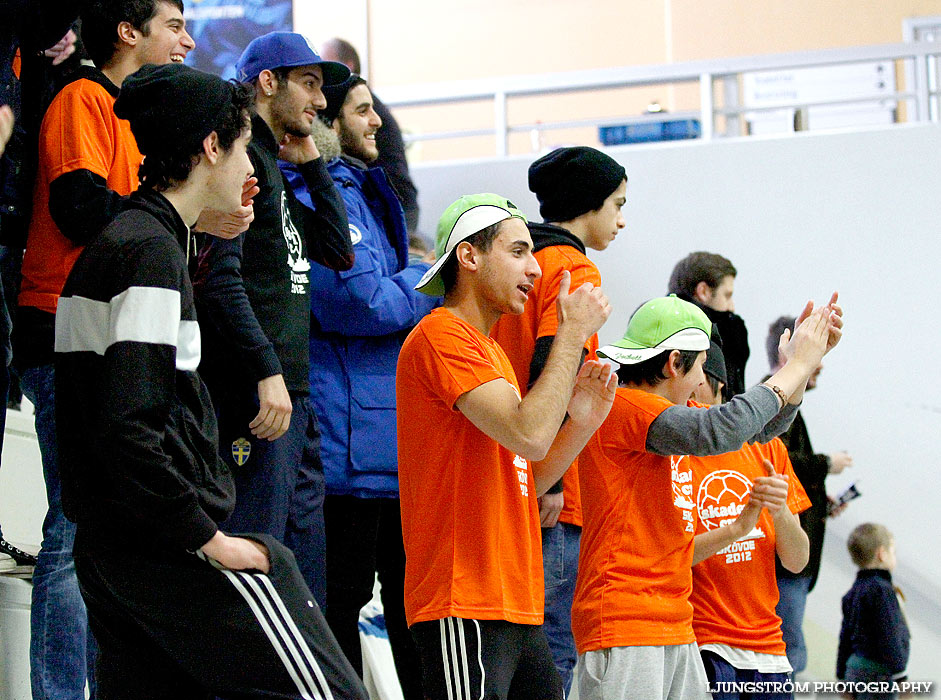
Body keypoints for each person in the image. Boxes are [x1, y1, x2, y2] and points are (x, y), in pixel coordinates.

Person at [54, 62, 367, 700]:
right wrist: (206, 537)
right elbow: (131, 427)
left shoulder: (141, 241)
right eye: (243, 147)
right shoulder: (147, 252)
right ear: (209, 148)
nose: (252, 168)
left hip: (122, 545)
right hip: (164, 547)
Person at [14, 3, 197, 696]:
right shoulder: (82, 99)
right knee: (72, 526)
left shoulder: (133, 117)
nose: (187, 40)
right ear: (128, 32)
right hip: (64, 330)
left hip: (107, 333)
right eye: (174, 24)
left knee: (97, 530)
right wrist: (168, 212)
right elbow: (79, 206)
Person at [397, 193, 616, 700]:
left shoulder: (490, 350)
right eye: (518, 251)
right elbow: (530, 433)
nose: (535, 269)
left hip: (514, 599)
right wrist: (570, 333)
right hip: (463, 598)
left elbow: (525, 476)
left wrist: (581, 424)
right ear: (469, 258)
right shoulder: (440, 336)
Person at [573, 294, 843, 700]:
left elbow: (754, 432)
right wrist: (798, 366)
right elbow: (722, 428)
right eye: (699, 367)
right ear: (673, 362)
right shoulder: (626, 407)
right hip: (625, 618)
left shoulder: (660, 418)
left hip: (669, 621)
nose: (702, 382)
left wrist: (796, 374)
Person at [281, 74, 436, 698]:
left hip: (376, 439)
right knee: (340, 611)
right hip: (349, 447)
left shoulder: (358, 191)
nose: (377, 123)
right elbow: (358, 301)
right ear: (329, 122)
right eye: (363, 110)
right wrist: (427, 281)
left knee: (407, 613)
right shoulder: (320, 194)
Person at [195, 31, 354, 607]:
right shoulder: (245, 164)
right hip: (256, 393)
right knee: (256, 567)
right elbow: (220, 280)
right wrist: (264, 371)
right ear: (268, 82)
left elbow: (339, 250)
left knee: (301, 574)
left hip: (295, 395)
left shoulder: (274, 170)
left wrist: (310, 160)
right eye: (309, 85)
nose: (319, 102)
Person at [489, 145, 626, 695]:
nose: (622, 218)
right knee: (552, 650)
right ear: (588, 204)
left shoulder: (522, 265)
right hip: (546, 479)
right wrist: (557, 477)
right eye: (617, 204)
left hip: (506, 462)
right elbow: (556, 367)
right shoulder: (573, 268)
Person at [688, 339, 812, 700]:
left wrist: (780, 512)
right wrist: (736, 529)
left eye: (696, 376)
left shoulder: (766, 445)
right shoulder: (674, 451)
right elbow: (669, 556)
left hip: (769, 648)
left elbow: (797, 560)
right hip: (705, 643)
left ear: (718, 387)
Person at [765, 315, 854, 674]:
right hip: (782, 560)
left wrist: (822, 500)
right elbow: (777, 460)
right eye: (816, 353)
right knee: (788, 655)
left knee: (789, 651)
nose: (820, 366)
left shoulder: (783, 407)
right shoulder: (769, 402)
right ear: (790, 351)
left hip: (791, 559)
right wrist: (825, 464)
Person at [320, 37, 420, 234]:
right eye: (363, 112)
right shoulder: (335, 186)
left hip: (395, 206)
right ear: (332, 125)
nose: (377, 121)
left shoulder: (348, 186)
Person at [837, 523, 910, 700]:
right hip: (878, 674)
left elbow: (845, 637)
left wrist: (841, 677)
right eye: (892, 551)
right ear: (881, 554)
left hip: (854, 668)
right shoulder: (882, 591)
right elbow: (889, 635)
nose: (895, 557)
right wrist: (902, 679)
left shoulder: (853, 592)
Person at [667, 251, 749, 399]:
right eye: (727, 295)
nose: (731, 307)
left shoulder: (656, 324)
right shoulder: (725, 332)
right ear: (703, 291)